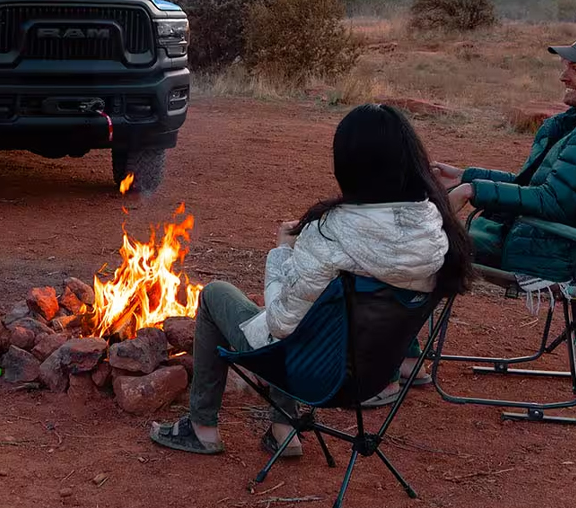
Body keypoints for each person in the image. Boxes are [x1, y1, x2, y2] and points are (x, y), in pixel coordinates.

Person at [148, 103, 473, 456]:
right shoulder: (436, 230)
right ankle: (284, 429)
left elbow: (281, 323)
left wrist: (283, 251)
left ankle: (202, 428)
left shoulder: (330, 236)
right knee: (315, 310)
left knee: (217, 295)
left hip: (317, 376)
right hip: (375, 378)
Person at [434, 29, 576, 284]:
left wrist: (471, 191)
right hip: (535, 240)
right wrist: (465, 176)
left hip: (542, 254)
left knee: (421, 247)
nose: (563, 77)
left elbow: (552, 201)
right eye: (566, 67)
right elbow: (539, 186)